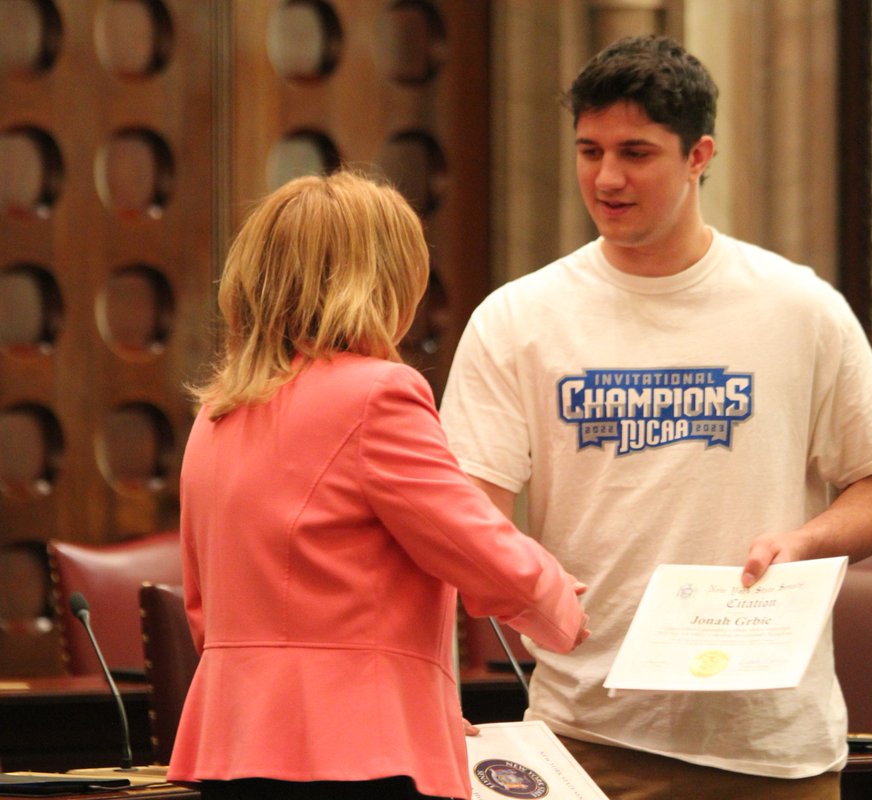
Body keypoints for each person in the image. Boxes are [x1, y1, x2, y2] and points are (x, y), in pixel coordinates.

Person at [439, 35, 872, 799]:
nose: (607, 177)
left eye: (636, 152)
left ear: (700, 154)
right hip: (585, 735)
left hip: (769, 745)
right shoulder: (518, 319)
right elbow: (462, 526)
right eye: (588, 150)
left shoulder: (798, 307)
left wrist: (805, 542)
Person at [167, 170, 590, 800]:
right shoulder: (376, 394)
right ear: (383, 280)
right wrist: (561, 604)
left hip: (235, 743)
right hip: (355, 755)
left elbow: (203, 605)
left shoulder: (219, 412)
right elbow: (473, 544)